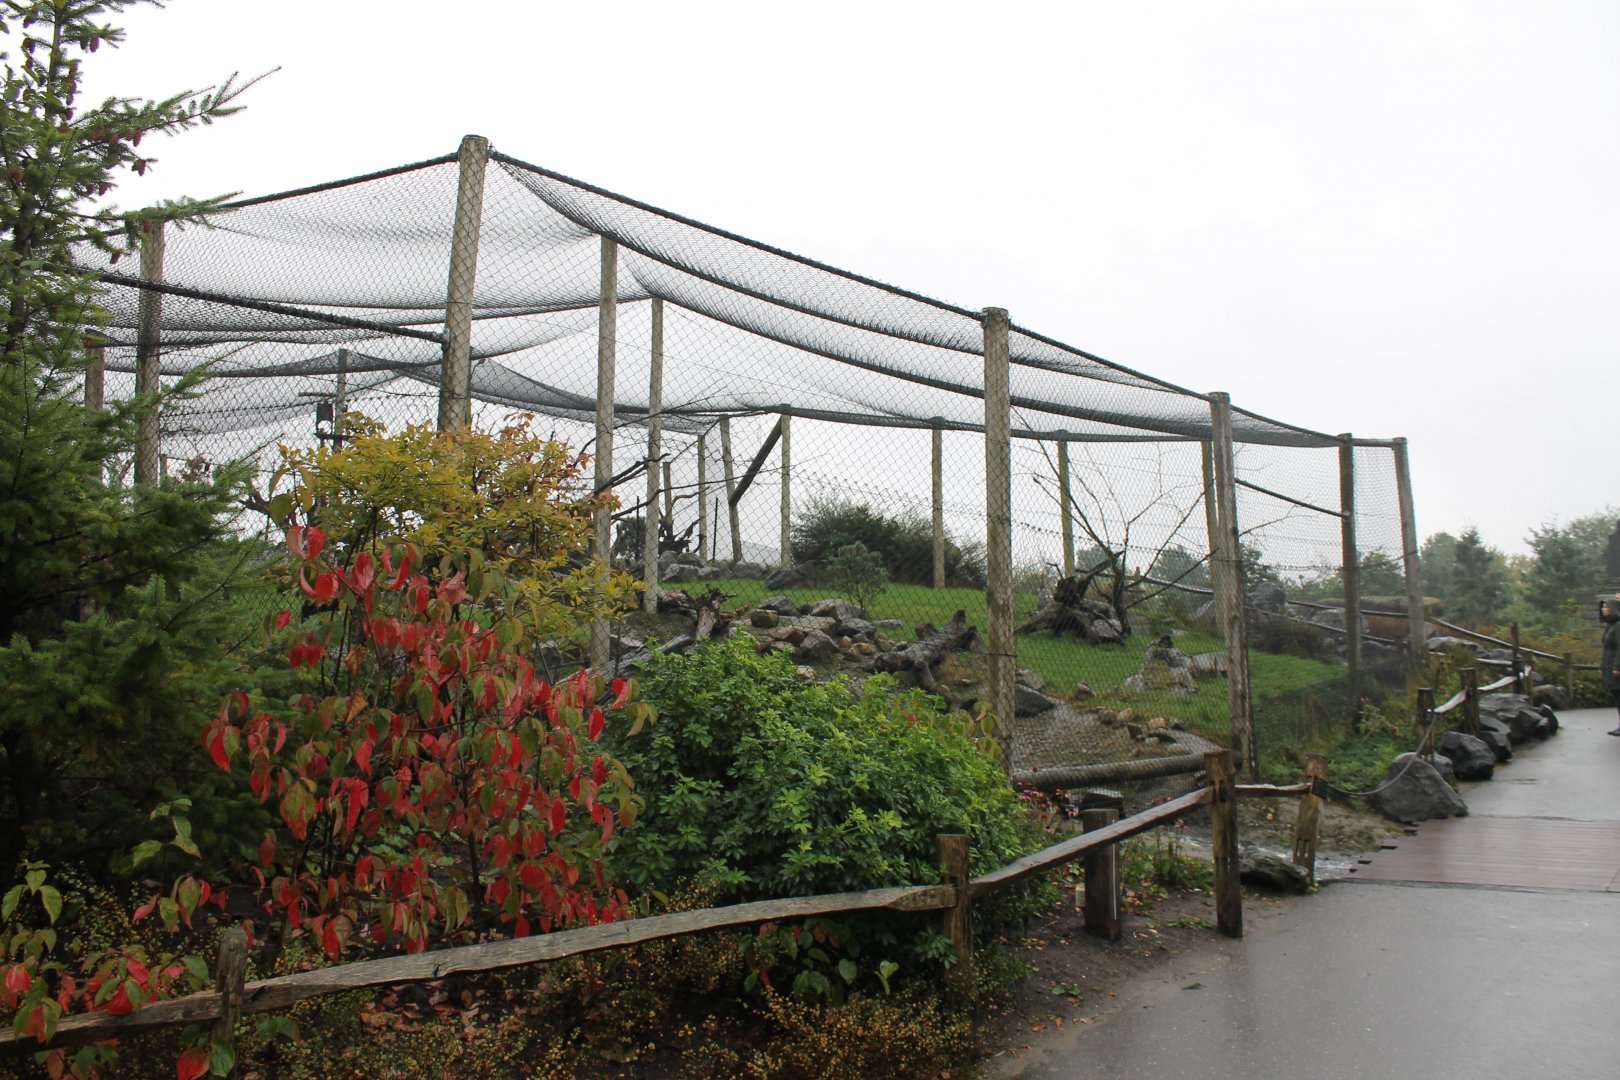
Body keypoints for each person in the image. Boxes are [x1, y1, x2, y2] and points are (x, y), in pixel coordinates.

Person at [1603, 596, 1620, 736]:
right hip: (1608, 664)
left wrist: (1617, 667)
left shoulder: (1619, 625)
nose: (1603, 609)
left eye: (1606, 607)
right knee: (1615, 694)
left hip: (1615, 665)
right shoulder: (1610, 625)